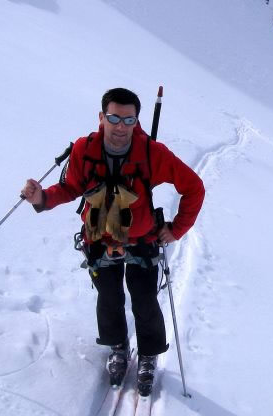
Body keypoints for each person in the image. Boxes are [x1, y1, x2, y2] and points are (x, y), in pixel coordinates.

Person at [21, 88, 205, 396]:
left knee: (144, 299)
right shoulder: (84, 150)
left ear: (136, 120)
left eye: (128, 119)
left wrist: (176, 229)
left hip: (141, 239)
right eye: (114, 117)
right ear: (102, 117)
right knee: (108, 298)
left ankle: (148, 354)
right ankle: (117, 347)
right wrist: (41, 198)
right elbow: (69, 188)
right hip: (100, 238)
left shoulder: (151, 153)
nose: (121, 126)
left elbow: (194, 187)